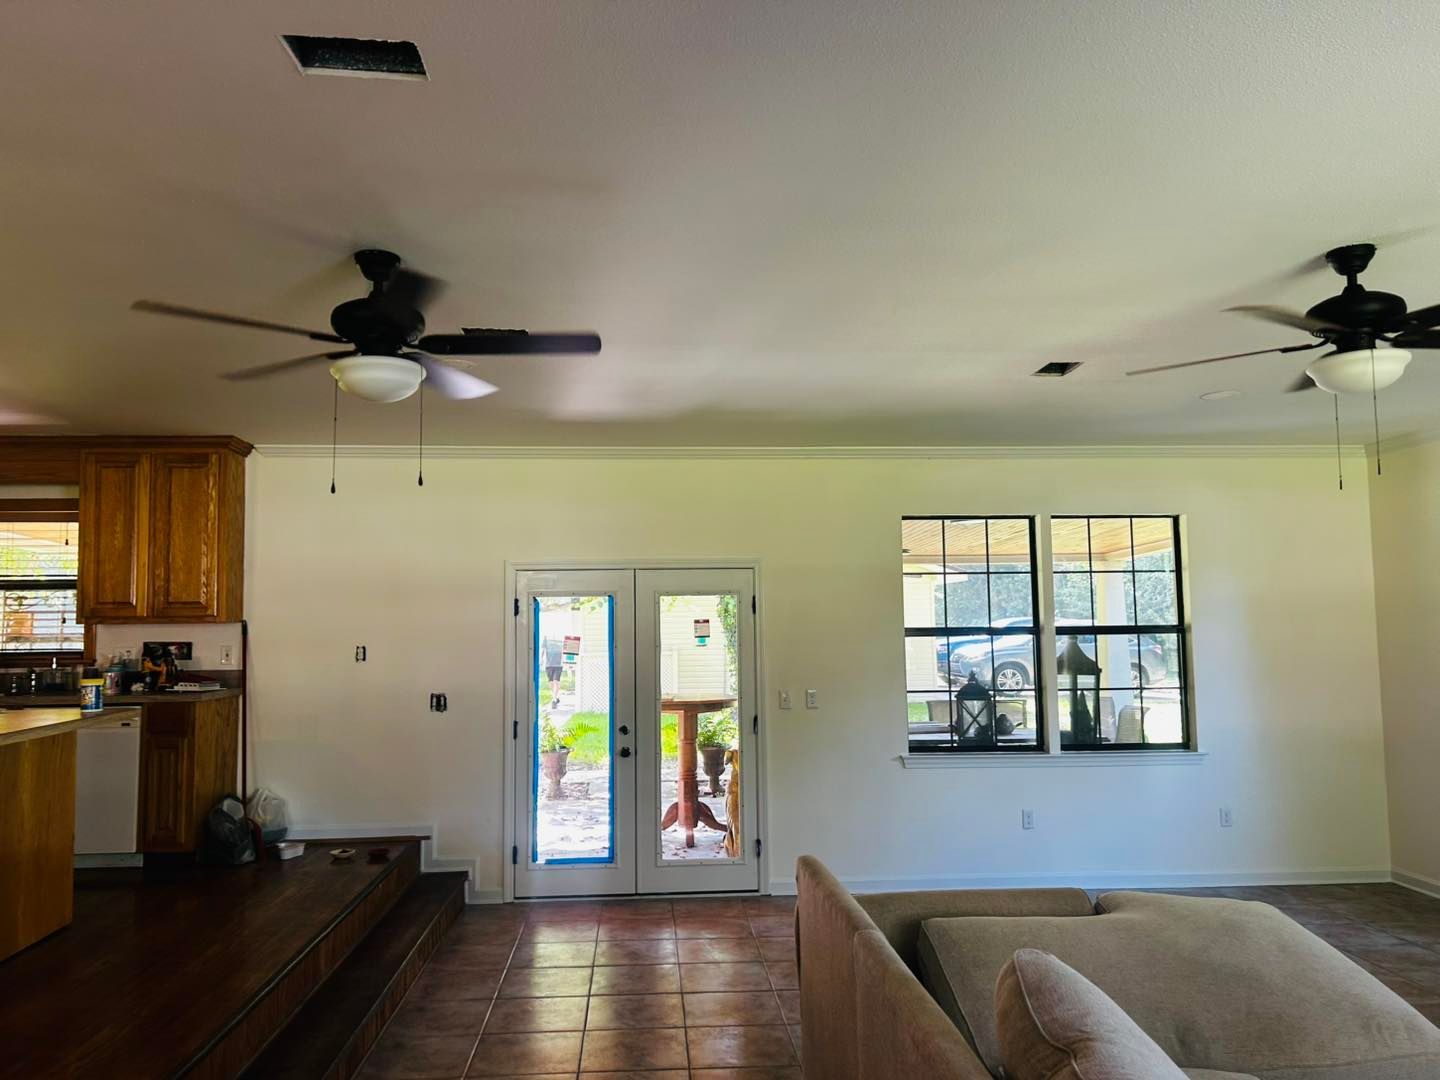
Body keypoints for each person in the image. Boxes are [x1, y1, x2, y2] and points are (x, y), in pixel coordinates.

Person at [542, 636, 563, 710]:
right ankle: (556, 697)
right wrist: (541, 659)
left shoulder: (561, 638)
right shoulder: (546, 638)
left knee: (556, 681)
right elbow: (543, 649)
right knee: (551, 683)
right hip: (549, 664)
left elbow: (566, 649)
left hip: (559, 664)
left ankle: (554, 700)